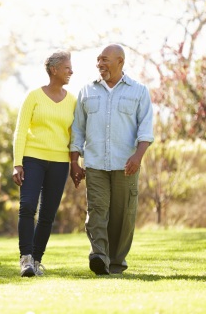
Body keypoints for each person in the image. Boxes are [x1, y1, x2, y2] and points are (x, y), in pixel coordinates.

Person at [70, 44, 154, 275]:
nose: (100, 64)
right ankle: (99, 255)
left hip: (126, 164)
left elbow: (145, 129)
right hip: (95, 164)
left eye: (105, 60)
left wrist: (138, 156)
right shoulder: (87, 91)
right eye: (98, 60)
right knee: (97, 210)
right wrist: (74, 161)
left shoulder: (138, 91)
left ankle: (116, 262)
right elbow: (77, 129)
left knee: (123, 215)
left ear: (120, 61)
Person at [12, 50, 78, 277]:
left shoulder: (72, 101)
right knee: (28, 206)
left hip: (59, 162)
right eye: (67, 67)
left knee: (48, 214)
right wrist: (17, 163)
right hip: (33, 159)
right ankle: (26, 259)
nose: (71, 71)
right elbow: (20, 131)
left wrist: (75, 163)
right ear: (54, 70)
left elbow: (74, 135)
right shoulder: (33, 96)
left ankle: (37, 261)